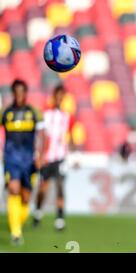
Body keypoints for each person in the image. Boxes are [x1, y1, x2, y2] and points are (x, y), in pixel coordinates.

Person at [0, 79, 45, 245]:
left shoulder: (34, 112)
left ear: (26, 93)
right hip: (11, 159)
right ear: (13, 93)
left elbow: (42, 134)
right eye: (16, 92)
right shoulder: (5, 112)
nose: (19, 95)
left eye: (22, 92)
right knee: (13, 189)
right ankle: (16, 233)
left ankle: (17, 223)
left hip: (29, 160)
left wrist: (40, 155)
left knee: (25, 198)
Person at [33, 84, 75, 231]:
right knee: (43, 188)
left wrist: (75, 155)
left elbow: (70, 137)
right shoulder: (45, 115)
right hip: (46, 158)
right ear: (54, 97)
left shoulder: (67, 116)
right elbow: (40, 137)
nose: (59, 99)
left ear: (63, 98)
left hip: (60, 157)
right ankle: (38, 213)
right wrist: (38, 155)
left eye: (61, 96)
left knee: (60, 187)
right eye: (57, 96)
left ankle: (60, 219)